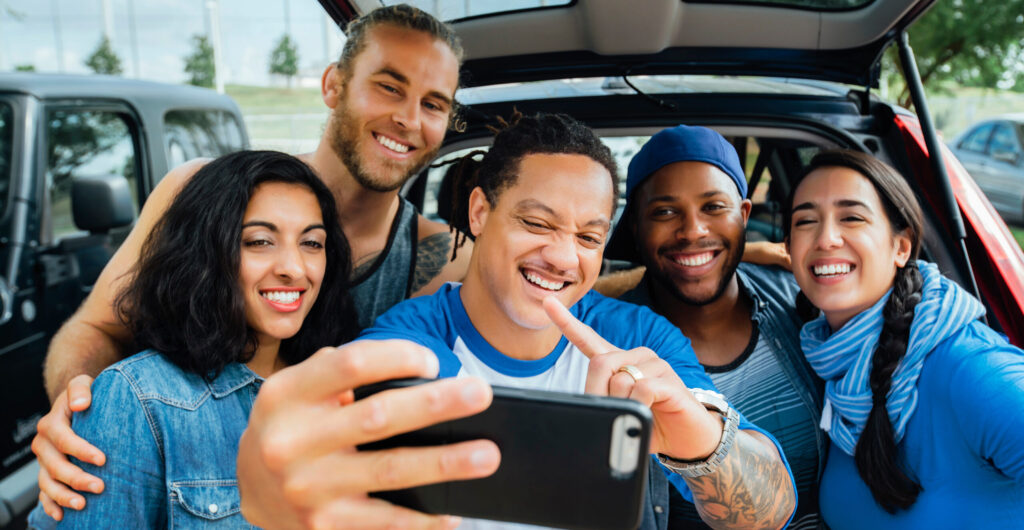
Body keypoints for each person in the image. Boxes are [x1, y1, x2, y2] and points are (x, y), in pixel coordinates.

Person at [236, 113, 797, 529]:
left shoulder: (637, 338)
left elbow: (769, 513)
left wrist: (700, 444)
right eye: (537, 222)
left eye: (587, 237)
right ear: (480, 212)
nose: (562, 256)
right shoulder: (407, 345)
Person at [32, 4, 470, 520]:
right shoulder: (194, 191)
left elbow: (551, 290)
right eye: (389, 87)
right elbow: (96, 326)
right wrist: (82, 416)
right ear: (333, 85)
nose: (409, 119)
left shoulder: (446, 256)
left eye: (434, 104)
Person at [26, 150, 360, 527]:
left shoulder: (339, 388)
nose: (293, 268)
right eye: (259, 241)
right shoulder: (138, 399)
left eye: (311, 243)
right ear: (207, 251)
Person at [783, 149, 1024, 528]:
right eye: (805, 221)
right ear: (789, 250)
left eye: (851, 217)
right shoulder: (832, 364)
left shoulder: (971, 367)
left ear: (902, 247)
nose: (826, 238)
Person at [604, 125, 824, 529]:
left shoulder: (798, 295)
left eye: (714, 207)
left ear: (743, 216)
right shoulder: (612, 346)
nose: (693, 231)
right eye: (665, 212)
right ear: (634, 226)